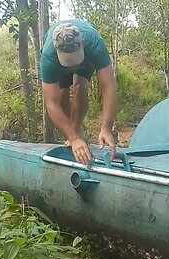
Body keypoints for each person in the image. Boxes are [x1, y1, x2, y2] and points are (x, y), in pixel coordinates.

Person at [40, 19, 117, 165]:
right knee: (62, 95)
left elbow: (109, 88)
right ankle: (73, 137)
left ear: (82, 42)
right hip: (58, 64)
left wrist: (106, 128)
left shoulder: (94, 43)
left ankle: (76, 128)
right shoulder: (49, 56)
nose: (73, 65)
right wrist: (73, 139)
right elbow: (51, 104)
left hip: (86, 59)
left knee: (80, 86)